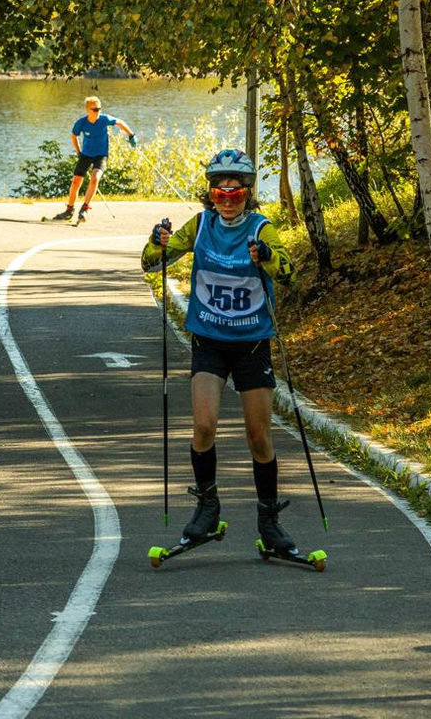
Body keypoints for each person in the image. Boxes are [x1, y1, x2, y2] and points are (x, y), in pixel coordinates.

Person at [141, 149, 299, 556]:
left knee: (258, 436)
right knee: (204, 428)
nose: (227, 198)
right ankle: (207, 507)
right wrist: (156, 240)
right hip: (209, 342)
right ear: (210, 193)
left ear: (248, 193)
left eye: (236, 192)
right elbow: (150, 262)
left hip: (251, 346)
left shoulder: (262, 229)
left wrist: (266, 258)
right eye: (219, 191)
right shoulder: (200, 226)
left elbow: (289, 272)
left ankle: (269, 521)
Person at [52, 95, 136, 224]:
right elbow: (74, 136)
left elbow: (119, 122)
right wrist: (78, 152)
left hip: (101, 155)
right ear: (88, 110)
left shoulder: (104, 119)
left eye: (99, 109)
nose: (98, 111)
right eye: (95, 109)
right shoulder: (81, 123)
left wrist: (131, 135)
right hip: (86, 154)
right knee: (75, 182)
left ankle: (84, 209)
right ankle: (69, 210)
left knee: (95, 177)